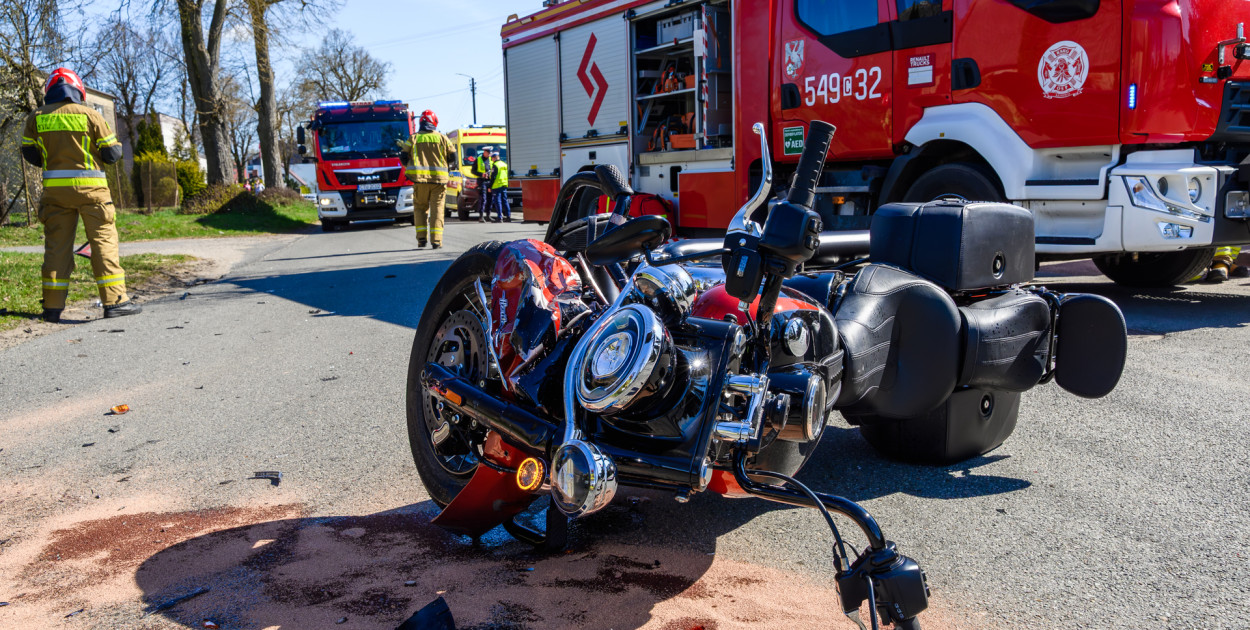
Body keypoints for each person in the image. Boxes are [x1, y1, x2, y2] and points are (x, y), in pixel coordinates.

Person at [20, 68, 140, 322]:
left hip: (56, 195)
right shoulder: (91, 115)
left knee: (56, 248)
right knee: (103, 243)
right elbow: (112, 154)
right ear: (78, 91)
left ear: (50, 91)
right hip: (93, 194)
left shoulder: (36, 117)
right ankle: (115, 301)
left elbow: (30, 154)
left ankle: (52, 307)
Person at [399, 110, 456, 248]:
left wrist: (409, 167)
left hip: (420, 181)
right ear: (434, 122)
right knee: (437, 210)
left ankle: (421, 239)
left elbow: (403, 156)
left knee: (420, 208)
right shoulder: (442, 138)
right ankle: (436, 241)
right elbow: (453, 157)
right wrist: (447, 165)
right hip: (439, 181)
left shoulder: (413, 138)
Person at [489, 152, 512, 223]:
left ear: (494, 158)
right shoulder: (504, 164)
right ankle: (508, 217)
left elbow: (493, 177)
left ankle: (499, 217)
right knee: (505, 201)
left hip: (497, 185)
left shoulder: (495, 165)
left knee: (498, 202)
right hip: (504, 184)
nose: (491, 160)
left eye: (492, 158)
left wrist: (490, 186)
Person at [472, 146, 493, 223]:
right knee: (483, 199)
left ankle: (488, 215)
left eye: (490, 153)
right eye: (488, 153)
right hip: (482, 181)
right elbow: (473, 171)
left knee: (490, 199)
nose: (489, 154)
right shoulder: (478, 159)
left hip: (489, 181)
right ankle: (481, 216)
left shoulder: (491, 159)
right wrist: (481, 174)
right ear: (485, 152)